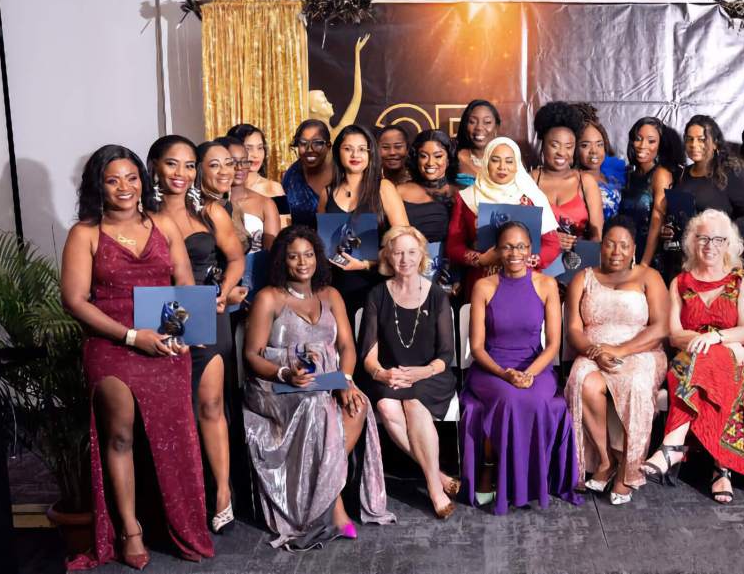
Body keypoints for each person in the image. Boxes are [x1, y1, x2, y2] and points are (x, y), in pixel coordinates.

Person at [62, 145, 213, 570]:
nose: (124, 187)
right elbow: (74, 300)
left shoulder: (163, 223)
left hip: (166, 342)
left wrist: (181, 332)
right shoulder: (85, 233)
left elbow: (183, 280)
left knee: (176, 437)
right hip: (112, 344)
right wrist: (132, 336)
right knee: (121, 435)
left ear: (142, 182)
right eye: (113, 180)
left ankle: (182, 523)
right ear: (99, 186)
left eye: (131, 178)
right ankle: (130, 529)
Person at [243, 225, 395, 549]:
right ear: (283, 261)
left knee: (358, 404)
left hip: (323, 381)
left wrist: (345, 382)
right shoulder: (269, 298)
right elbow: (251, 356)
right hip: (276, 386)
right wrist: (284, 373)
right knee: (317, 404)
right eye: (294, 256)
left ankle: (326, 495)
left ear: (318, 257)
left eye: (309, 254)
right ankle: (335, 507)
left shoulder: (331, 295)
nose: (302, 262)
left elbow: (347, 347)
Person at [151, 136, 245, 534]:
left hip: (207, 310)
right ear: (155, 165)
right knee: (175, 412)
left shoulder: (209, 212)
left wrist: (224, 292)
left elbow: (237, 257)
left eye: (190, 166)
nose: (182, 173)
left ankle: (223, 492)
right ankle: (180, 495)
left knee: (210, 406)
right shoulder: (140, 213)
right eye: (173, 164)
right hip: (160, 314)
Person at [642, 209, 744, 503]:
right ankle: (721, 470)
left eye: (717, 239)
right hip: (692, 356)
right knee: (708, 362)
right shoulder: (680, 282)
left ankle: (671, 446)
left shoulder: (742, 279)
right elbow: (674, 335)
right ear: (691, 243)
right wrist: (708, 341)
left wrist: (716, 337)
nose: (709, 245)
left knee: (714, 360)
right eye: (702, 238)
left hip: (742, 355)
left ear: (729, 244)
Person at [460, 221, 582, 514]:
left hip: (535, 365)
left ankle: (528, 484)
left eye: (521, 246)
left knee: (537, 399)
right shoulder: (483, 287)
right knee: (511, 398)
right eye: (507, 246)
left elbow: (553, 343)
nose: (514, 252)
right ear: (498, 251)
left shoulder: (546, 284)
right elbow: (477, 347)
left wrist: (530, 373)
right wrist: (504, 374)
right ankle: (500, 479)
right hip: (492, 369)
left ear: (531, 251)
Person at [563, 216, 668, 505]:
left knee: (635, 383)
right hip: (593, 350)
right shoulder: (582, 278)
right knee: (582, 380)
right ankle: (605, 459)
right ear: (601, 246)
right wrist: (596, 351)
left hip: (640, 352)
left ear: (634, 248)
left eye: (624, 245)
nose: (616, 251)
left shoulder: (649, 277)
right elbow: (573, 329)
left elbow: (660, 328)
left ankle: (628, 469)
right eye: (610, 244)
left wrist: (620, 351)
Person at [359, 227, 460, 519]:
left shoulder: (437, 295)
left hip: (431, 375)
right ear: (388, 256)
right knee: (386, 405)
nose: (405, 259)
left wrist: (421, 372)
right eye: (398, 252)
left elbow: (445, 355)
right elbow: (368, 353)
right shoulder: (377, 294)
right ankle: (439, 476)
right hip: (389, 374)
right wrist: (382, 375)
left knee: (413, 401)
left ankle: (433, 487)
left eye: (411, 252)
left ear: (422, 256)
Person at [445, 137, 561, 298]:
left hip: (526, 281)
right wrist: (480, 259)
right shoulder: (467, 198)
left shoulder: (533, 197)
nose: (502, 167)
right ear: (486, 163)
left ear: (517, 165)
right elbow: (454, 245)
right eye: (495, 160)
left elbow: (552, 244)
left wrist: (526, 259)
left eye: (509, 161)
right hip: (482, 284)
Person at [317, 124, 410, 318]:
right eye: (348, 148)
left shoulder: (383, 188)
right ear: (337, 152)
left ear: (370, 153)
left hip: (376, 283)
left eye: (362, 149)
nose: (355, 155)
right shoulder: (326, 193)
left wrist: (367, 264)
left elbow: (405, 243)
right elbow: (320, 243)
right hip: (336, 285)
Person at [672, 115, 744, 242]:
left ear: (715, 143)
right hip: (685, 255)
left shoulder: (731, 174)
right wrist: (670, 231)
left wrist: (722, 234)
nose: (694, 144)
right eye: (689, 139)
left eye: (702, 139)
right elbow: (679, 219)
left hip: (719, 253)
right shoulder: (681, 174)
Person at [533, 101, 604, 251]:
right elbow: (517, 229)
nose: (561, 152)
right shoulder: (530, 180)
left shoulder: (585, 182)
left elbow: (597, 237)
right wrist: (549, 240)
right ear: (543, 144)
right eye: (555, 145)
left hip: (577, 263)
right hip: (537, 264)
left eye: (569, 146)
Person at [618, 117, 682, 272]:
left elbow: (656, 221)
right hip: (624, 250)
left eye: (651, 141)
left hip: (650, 255)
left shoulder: (661, 174)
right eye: (638, 139)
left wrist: (644, 264)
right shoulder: (628, 173)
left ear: (660, 145)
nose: (642, 145)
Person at [398, 129, 455, 244]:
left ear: (448, 159)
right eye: (423, 156)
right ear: (416, 158)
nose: (430, 162)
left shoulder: (460, 193)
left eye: (438, 156)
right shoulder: (398, 191)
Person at [573, 102, 626, 220]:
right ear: (574, 148)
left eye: (599, 144)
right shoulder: (572, 181)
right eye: (585, 145)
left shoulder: (613, 178)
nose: (594, 151)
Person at [228, 135, 280, 252]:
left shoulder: (266, 203)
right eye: (232, 162)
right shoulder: (208, 204)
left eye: (244, 161)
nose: (239, 167)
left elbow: (272, 253)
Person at [282, 119, 334, 226]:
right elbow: (283, 217)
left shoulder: (340, 174)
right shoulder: (291, 176)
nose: (309, 149)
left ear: (328, 146)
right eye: (303, 143)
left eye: (317, 143)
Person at [227, 123, 284, 198]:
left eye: (260, 148)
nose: (256, 155)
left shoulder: (273, 188)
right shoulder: (223, 187)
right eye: (248, 148)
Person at [455, 99, 501, 188]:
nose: (479, 127)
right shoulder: (454, 159)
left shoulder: (509, 159)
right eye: (472, 122)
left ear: (496, 127)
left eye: (487, 122)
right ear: (465, 125)